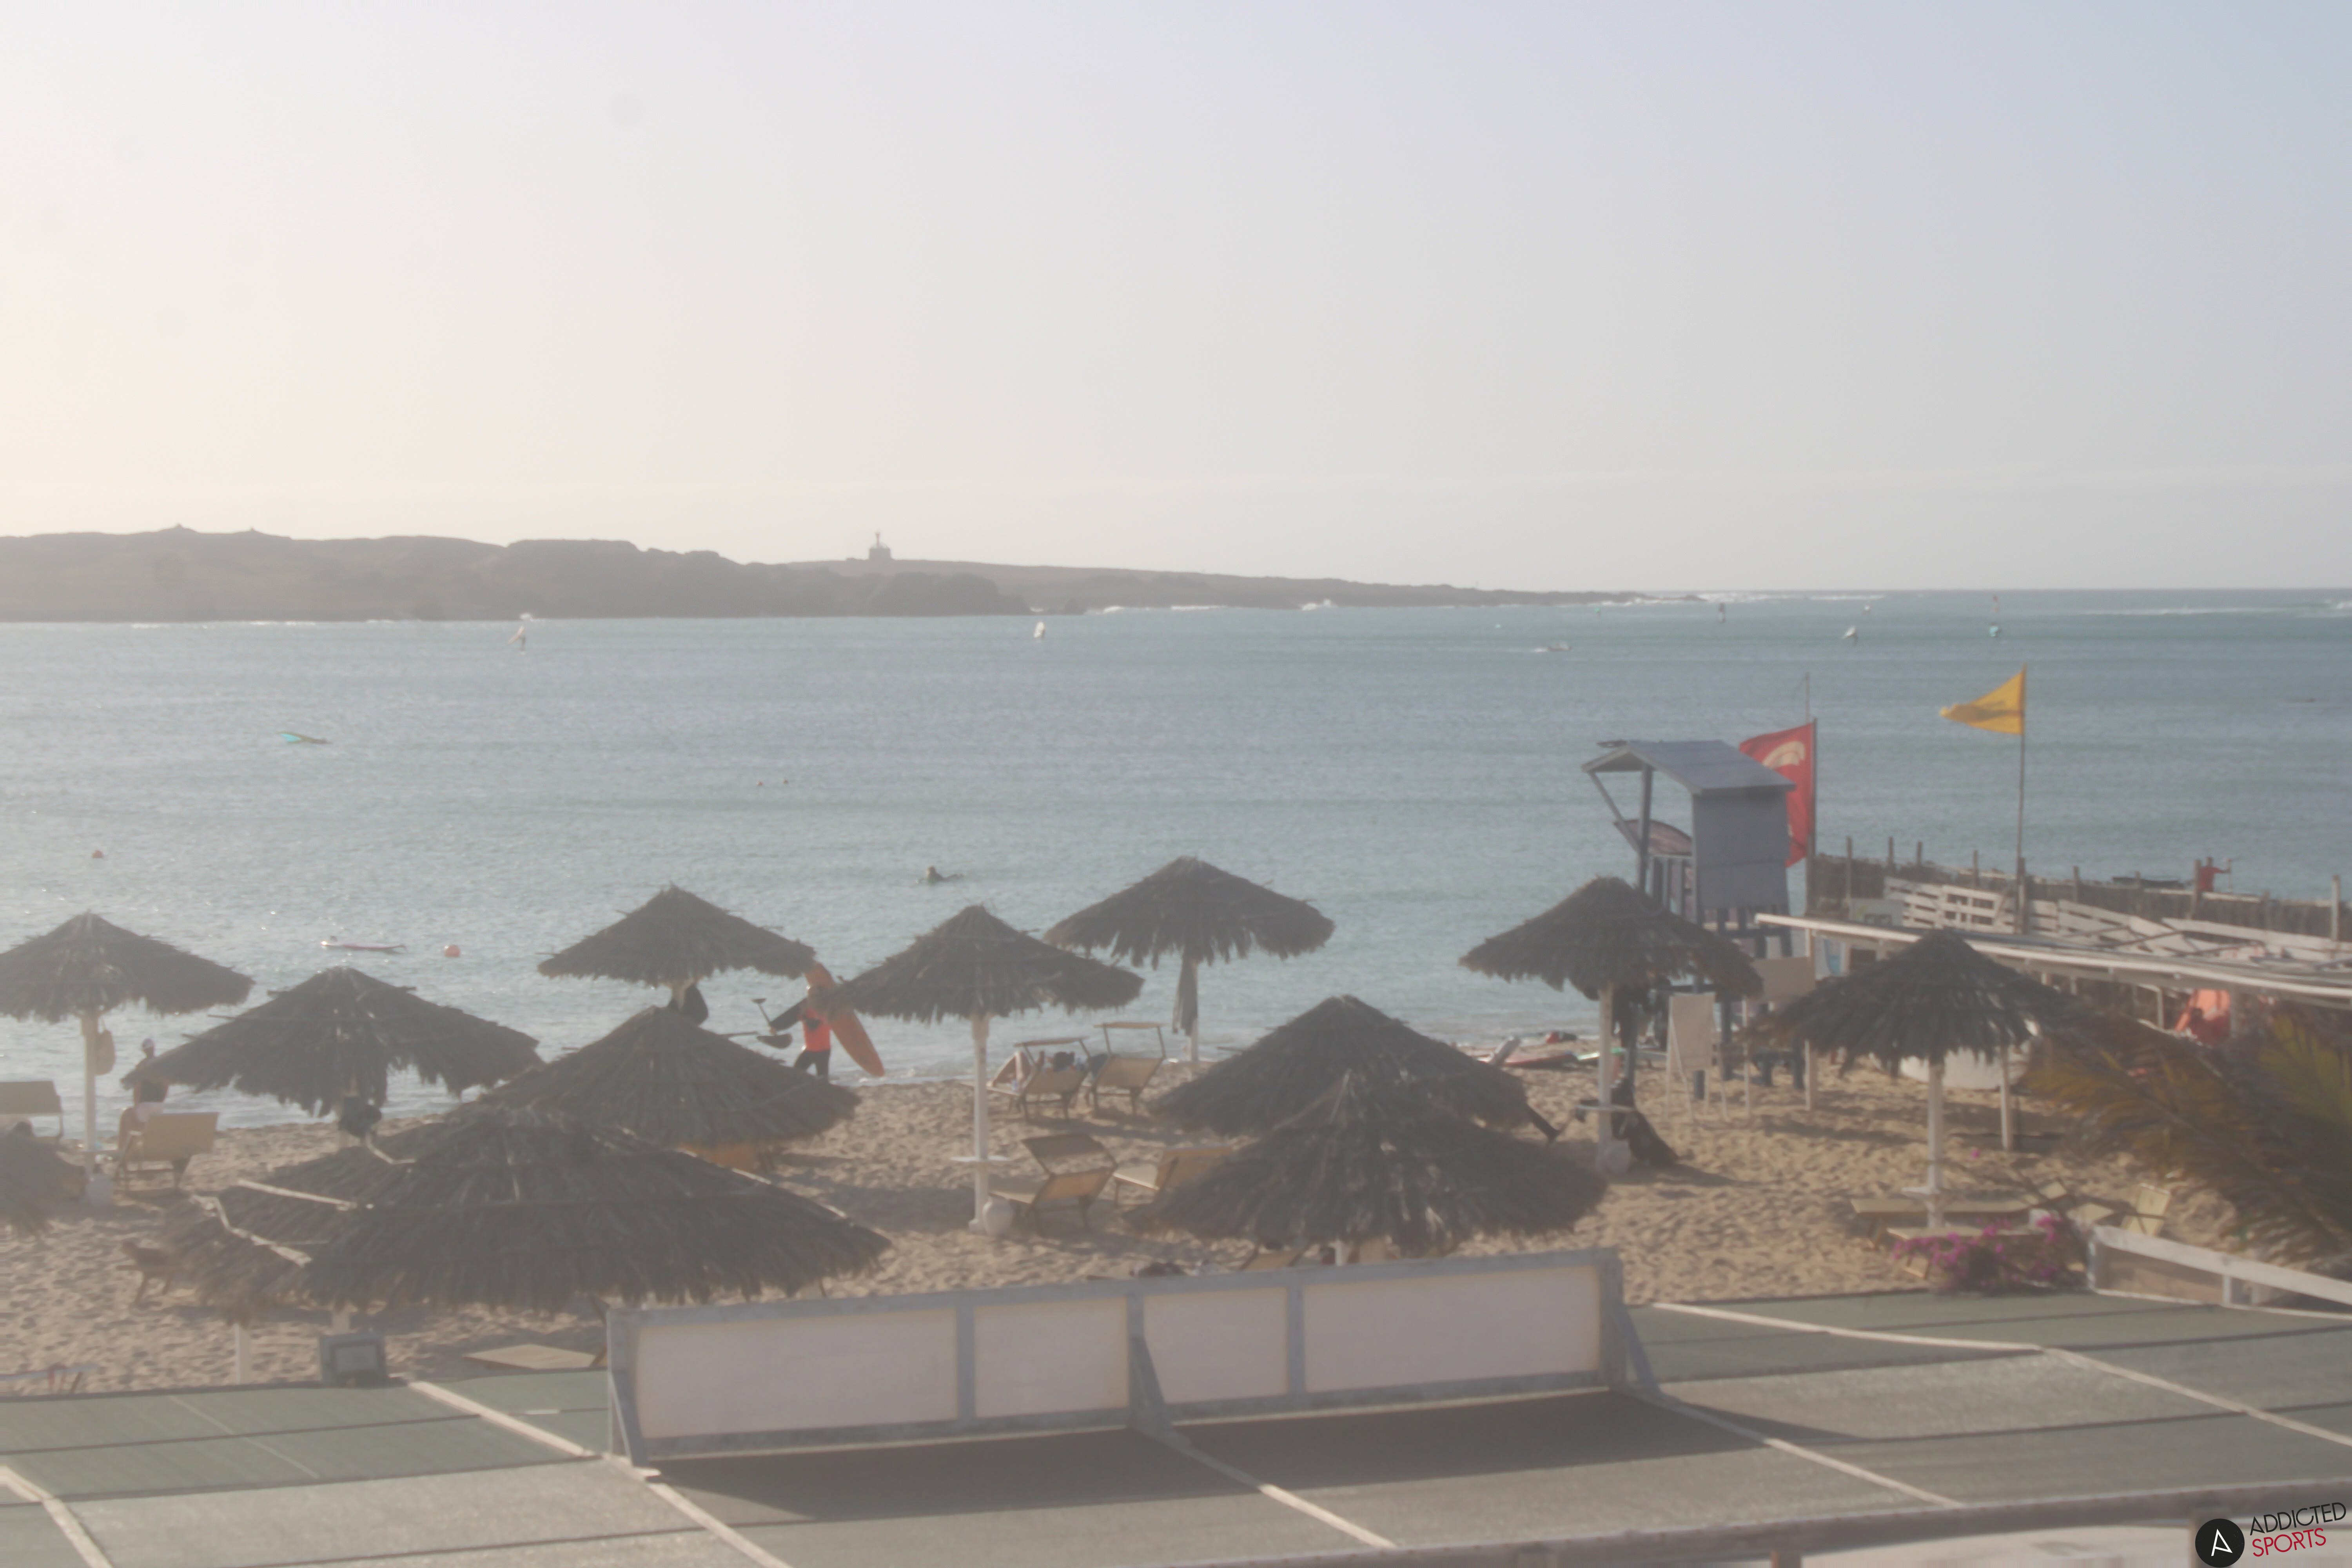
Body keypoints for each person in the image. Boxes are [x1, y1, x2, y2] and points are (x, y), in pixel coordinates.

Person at [795, 1005, 834, 1079]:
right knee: (796, 1072)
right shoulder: (810, 1010)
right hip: (811, 1049)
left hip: (822, 1050)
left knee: (822, 1077)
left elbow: (813, 1026)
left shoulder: (821, 1011)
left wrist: (803, 1015)